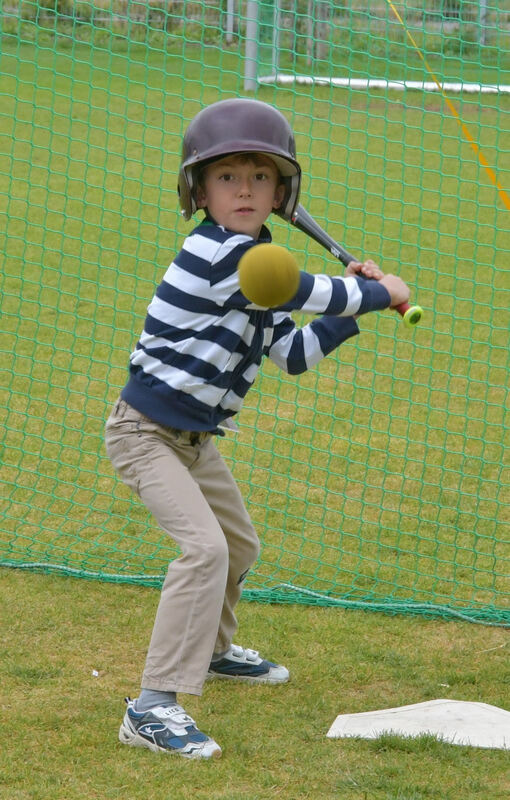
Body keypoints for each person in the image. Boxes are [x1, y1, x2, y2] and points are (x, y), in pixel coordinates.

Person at [104, 98, 410, 760]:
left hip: (194, 440)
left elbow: (292, 353)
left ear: (281, 193)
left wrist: (358, 312)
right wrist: (377, 292)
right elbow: (304, 290)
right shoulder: (221, 256)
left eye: (260, 177)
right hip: (144, 432)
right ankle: (152, 706)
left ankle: (210, 652)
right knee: (205, 551)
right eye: (226, 177)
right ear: (199, 191)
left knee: (237, 547)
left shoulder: (261, 265)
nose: (244, 189)